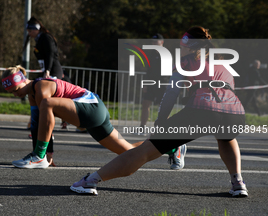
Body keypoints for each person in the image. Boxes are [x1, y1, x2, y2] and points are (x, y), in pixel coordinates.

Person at [71, 26, 248, 198]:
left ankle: (90, 180)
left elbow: (171, 93)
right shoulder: (222, 62)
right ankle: (238, 183)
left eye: (182, 43)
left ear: (188, 45)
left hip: (203, 110)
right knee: (226, 138)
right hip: (235, 113)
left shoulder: (186, 62)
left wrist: (161, 121)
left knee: (146, 151)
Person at [1, 65, 143, 169]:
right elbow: (37, 124)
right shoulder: (32, 94)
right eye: (11, 92)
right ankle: (161, 145)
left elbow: (46, 123)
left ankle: (39, 156)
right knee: (129, 152)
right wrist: (46, 154)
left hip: (92, 108)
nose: (16, 94)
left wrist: (43, 154)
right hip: (93, 111)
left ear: (24, 80)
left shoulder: (41, 87)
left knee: (47, 103)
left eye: (17, 89)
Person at [140, 33, 186, 170]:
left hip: (163, 84)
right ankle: (143, 127)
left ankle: (162, 130)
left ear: (162, 42)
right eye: (152, 41)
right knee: (145, 105)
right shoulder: (150, 54)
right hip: (151, 84)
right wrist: (145, 84)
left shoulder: (166, 54)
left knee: (164, 109)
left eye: (156, 41)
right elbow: (148, 71)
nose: (154, 43)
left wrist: (168, 84)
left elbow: (170, 70)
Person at [25, 16, 63, 131]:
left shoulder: (46, 37)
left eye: (31, 31)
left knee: (45, 99)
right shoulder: (39, 39)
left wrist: (47, 70)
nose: (29, 33)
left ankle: (80, 124)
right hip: (46, 71)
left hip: (52, 71)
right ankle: (34, 122)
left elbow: (50, 54)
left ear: (37, 29)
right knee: (37, 95)